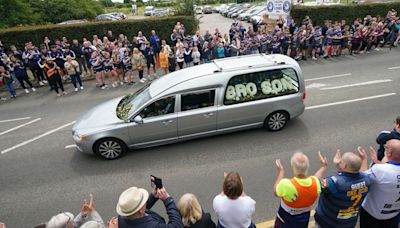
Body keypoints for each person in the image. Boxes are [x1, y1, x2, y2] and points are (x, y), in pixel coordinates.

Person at [314, 149, 371, 228]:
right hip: (349, 223)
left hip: (328, 222)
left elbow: (313, 185)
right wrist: (364, 160)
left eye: (342, 161)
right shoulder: (368, 180)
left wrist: (323, 167)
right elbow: (363, 174)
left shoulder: (334, 183)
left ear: (344, 166)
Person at [273, 152, 328, 228]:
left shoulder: (286, 185)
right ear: (307, 167)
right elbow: (315, 178)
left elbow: (276, 191)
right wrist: (323, 167)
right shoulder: (316, 184)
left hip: (285, 222)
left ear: (293, 167)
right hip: (302, 220)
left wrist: (281, 172)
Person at [359, 140, 400, 228]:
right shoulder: (382, 169)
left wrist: (363, 160)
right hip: (394, 214)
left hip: (372, 214)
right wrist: (377, 161)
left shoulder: (380, 170)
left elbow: (362, 180)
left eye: (386, 148)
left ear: (389, 153)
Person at [116, 185, 184, 228]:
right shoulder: (152, 226)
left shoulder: (121, 219)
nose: (145, 202)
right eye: (144, 201)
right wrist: (168, 200)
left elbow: (136, 211)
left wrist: (153, 197)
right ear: (141, 210)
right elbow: (176, 225)